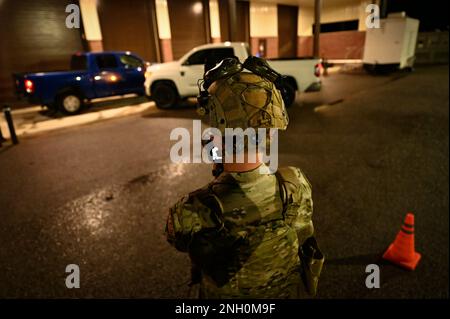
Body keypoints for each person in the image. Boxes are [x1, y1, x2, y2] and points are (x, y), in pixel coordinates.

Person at [165, 56, 323, 298]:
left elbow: (177, 240)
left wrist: (220, 173)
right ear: (270, 132)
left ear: (216, 136)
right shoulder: (295, 184)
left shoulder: (192, 209)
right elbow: (304, 234)